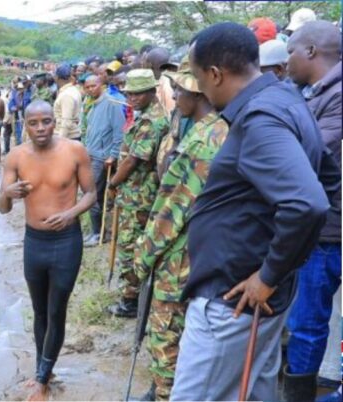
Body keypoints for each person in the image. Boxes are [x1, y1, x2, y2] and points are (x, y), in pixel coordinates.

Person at [171, 22, 339, 401]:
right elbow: (328, 178)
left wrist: (270, 273)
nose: (201, 89)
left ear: (215, 74)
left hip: (233, 302)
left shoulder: (261, 118)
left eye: (199, 78)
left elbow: (309, 203)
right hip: (252, 298)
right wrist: (283, 263)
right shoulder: (286, 99)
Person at [132, 62, 229, 402]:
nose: (174, 96)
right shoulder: (218, 128)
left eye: (179, 90)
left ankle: (165, 394)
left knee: (165, 339)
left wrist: (143, 257)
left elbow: (171, 211)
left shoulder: (204, 140)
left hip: (179, 259)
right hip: (203, 255)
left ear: (196, 93)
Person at [0, 100, 97, 401]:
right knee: (39, 310)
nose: (41, 128)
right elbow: (3, 208)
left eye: (46, 121)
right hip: (34, 242)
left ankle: (41, 380)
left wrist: (70, 214)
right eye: (33, 123)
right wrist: (6, 193)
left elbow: (91, 194)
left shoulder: (74, 150)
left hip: (66, 242)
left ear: (54, 121)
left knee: (56, 309)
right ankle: (46, 369)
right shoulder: (16, 156)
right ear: (25, 126)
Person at [284, 20, 342, 402]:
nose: (287, 60)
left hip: (329, 231)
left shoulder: (337, 96)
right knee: (306, 320)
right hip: (322, 226)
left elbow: (310, 152)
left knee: (307, 323)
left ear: (310, 51)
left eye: (291, 51)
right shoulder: (317, 93)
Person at [106, 69, 169, 318]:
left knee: (130, 246)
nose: (132, 98)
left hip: (139, 196)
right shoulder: (145, 116)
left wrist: (112, 184)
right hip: (135, 193)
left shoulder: (152, 122)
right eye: (129, 94)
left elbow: (133, 160)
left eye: (138, 94)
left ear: (152, 91)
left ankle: (130, 300)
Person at [81, 75, 126, 247]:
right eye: (87, 87)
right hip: (91, 154)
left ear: (102, 85)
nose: (90, 89)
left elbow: (119, 132)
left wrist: (113, 155)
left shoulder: (112, 104)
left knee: (92, 193)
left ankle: (98, 233)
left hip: (102, 158)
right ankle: (97, 230)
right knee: (94, 194)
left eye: (93, 86)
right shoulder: (91, 103)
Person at [143, 47, 176, 118]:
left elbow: (170, 114)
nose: (143, 64)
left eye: (145, 62)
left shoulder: (166, 84)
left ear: (150, 64)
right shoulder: (159, 80)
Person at [53, 63, 83, 141]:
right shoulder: (73, 90)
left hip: (68, 137)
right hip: (71, 136)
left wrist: (60, 141)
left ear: (57, 77)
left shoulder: (66, 95)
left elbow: (66, 121)